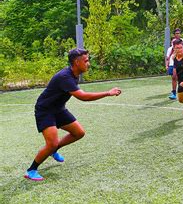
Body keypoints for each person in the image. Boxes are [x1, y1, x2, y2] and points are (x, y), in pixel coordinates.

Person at [24, 48, 122, 181]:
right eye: (86, 61)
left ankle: (53, 150)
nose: (88, 64)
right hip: (45, 111)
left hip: (58, 109)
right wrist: (107, 93)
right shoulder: (65, 77)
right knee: (51, 143)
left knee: (79, 133)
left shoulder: (74, 74)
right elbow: (83, 97)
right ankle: (31, 170)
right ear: (76, 62)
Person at [166, 29, 183, 100]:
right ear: (174, 34)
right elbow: (169, 54)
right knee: (174, 77)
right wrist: (167, 64)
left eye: (179, 33)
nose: (178, 34)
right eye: (176, 33)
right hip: (173, 62)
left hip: (181, 62)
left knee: (181, 77)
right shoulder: (172, 42)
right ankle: (173, 92)